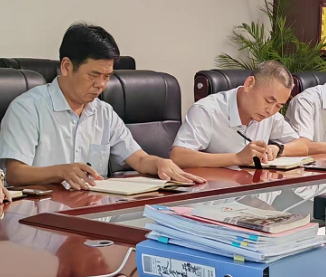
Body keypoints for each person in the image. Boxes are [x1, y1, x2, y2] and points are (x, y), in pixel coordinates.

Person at [0, 23, 203, 190]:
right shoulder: (28, 108)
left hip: (92, 208)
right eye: (94, 75)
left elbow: (139, 159)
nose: (101, 84)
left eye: (107, 76)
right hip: (40, 213)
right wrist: (61, 171)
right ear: (66, 66)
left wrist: (159, 163)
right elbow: (15, 174)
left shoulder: (103, 112)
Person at [170, 61, 308, 168]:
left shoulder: (271, 115)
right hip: (217, 191)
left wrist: (278, 148)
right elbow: (178, 156)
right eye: (268, 100)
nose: (270, 111)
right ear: (249, 84)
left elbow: (302, 146)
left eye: (279, 106)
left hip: (255, 187)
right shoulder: (207, 110)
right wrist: (236, 158)